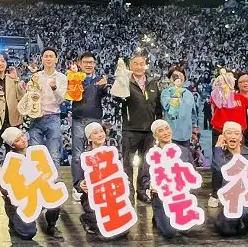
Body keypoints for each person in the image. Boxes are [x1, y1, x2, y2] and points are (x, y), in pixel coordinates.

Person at [113, 53, 162, 204]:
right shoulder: (125, 81)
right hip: (130, 128)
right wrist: (120, 79)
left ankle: (142, 191)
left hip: (149, 130)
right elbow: (116, 98)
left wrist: (158, 126)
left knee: (146, 162)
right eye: (136, 64)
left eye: (142, 64)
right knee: (127, 162)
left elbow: (158, 107)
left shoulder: (153, 83)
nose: (139, 67)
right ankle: (128, 192)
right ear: (130, 66)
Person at [0, 126, 61, 239]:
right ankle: (14, 221)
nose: (23, 140)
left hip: (39, 192)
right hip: (23, 199)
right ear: (12, 145)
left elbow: (49, 172)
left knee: (55, 198)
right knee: (28, 233)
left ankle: (52, 225)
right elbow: (3, 188)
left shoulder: (37, 152)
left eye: (22, 135)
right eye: (17, 140)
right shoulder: (10, 160)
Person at [211, 121, 248, 237]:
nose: (233, 136)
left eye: (236, 133)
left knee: (246, 211)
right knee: (227, 230)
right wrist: (218, 148)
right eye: (228, 133)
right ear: (223, 136)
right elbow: (219, 170)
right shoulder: (221, 156)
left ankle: (247, 221)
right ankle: (234, 222)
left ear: (241, 137)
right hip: (233, 200)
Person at [148, 119, 196, 239]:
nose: (165, 133)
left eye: (167, 129)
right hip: (162, 197)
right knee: (169, 233)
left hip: (181, 196)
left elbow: (193, 172)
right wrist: (150, 186)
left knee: (187, 230)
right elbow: (144, 178)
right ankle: (158, 216)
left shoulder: (183, 151)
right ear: (155, 136)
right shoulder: (152, 154)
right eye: (160, 131)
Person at [27, 48, 68, 165]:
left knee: (54, 154)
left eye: (51, 56)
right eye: (46, 56)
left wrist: (54, 88)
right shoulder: (36, 76)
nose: (48, 58)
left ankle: (54, 183)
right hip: (36, 117)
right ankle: (36, 182)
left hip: (53, 117)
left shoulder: (62, 78)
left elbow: (61, 100)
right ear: (42, 59)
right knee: (35, 154)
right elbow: (30, 96)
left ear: (56, 59)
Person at [69, 52, 108, 168]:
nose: (88, 65)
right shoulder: (74, 78)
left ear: (95, 64)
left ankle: (97, 181)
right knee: (77, 154)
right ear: (80, 64)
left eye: (91, 62)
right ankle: (78, 184)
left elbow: (104, 94)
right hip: (78, 120)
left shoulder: (100, 79)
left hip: (95, 119)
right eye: (85, 62)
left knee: (97, 152)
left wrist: (104, 87)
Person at [160, 67, 195, 151]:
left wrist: (194, 129)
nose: (178, 77)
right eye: (175, 76)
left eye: (180, 75)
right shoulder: (166, 93)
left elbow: (193, 113)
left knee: (184, 161)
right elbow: (169, 108)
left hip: (186, 135)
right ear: (170, 79)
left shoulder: (189, 94)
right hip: (171, 136)